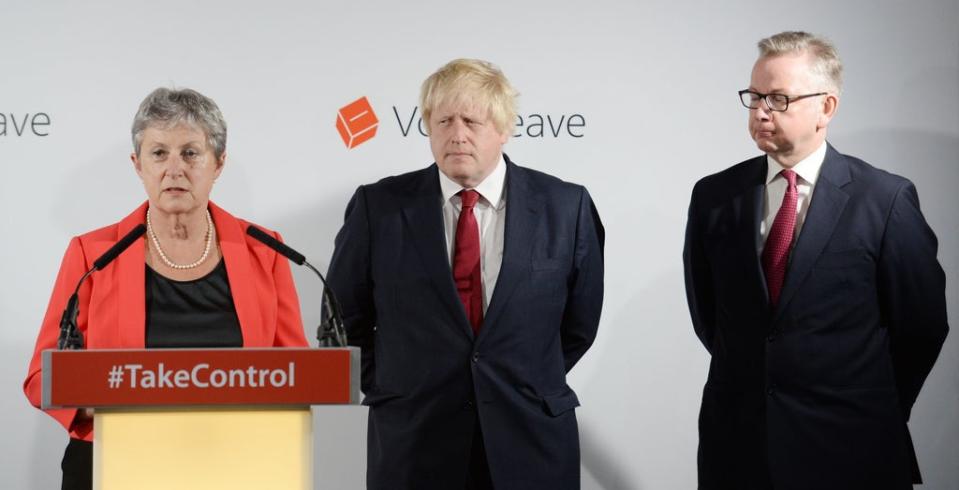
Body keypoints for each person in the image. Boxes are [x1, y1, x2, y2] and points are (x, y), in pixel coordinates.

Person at [683, 31, 949, 490]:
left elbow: (921, 327)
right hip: (739, 450)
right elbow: (711, 318)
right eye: (754, 96)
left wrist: (872, 408)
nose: (761, 111)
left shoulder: (884, 200)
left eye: (778, 98)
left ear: (827, 107)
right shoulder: (714, 196)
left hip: (852, 449)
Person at [326, 58, 604, 490]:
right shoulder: (377, 208)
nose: (457, 135)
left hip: (530, 442)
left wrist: (521, 379)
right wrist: (396, 388)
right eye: (443, 121)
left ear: (504, 127)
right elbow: (344, 322)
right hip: (414, 442)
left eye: (472, 121)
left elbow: (579, 325)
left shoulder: (566, 207)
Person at [23, 87, 309, 490]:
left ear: (219, 163)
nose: (174, 169)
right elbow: (41, 377)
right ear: (138, 164)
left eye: (191, 153)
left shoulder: (265, 249)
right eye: (159, 153)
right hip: (115, 460)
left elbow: (295, 373)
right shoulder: (92, 254)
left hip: (235, 463)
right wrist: (108, 401)